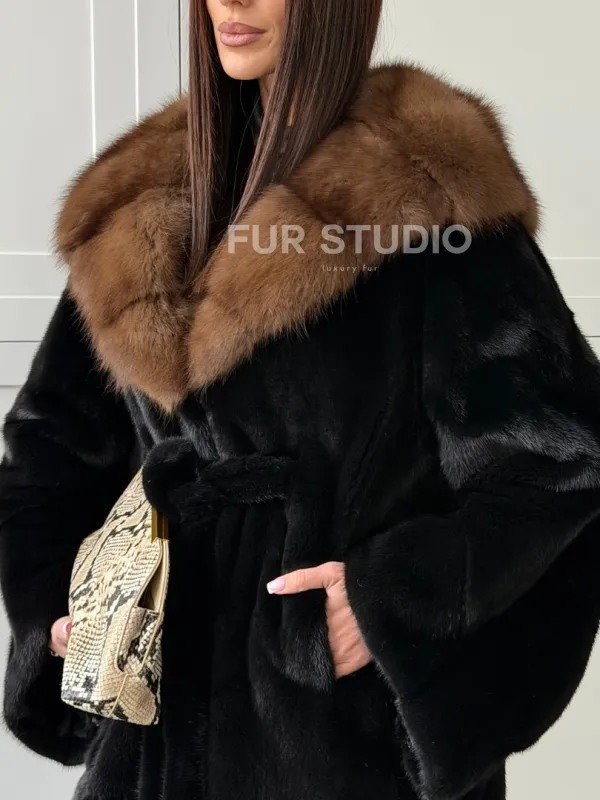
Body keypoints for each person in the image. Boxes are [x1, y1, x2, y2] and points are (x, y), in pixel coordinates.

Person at [1, 1, 599, 799]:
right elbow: (48, 450)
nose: (231, 2)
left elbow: (560, 466)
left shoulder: (428, 198)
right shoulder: (139, 207)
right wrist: (61, 611)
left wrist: (393, 602)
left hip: (340, 742)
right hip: (152, 744)